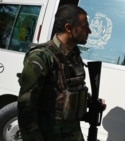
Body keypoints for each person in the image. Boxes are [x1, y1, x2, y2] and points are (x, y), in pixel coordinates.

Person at [17, 4, 106, 141]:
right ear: (69, 28)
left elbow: (66, 90)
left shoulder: (73, 55)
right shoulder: (41, 57)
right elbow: (26, 108)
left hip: (73, 134)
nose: (89, 31)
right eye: (85, 26)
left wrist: (89, 102)